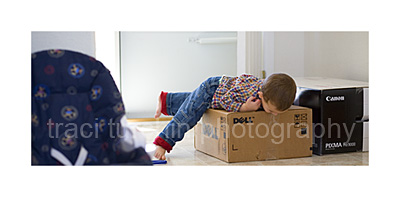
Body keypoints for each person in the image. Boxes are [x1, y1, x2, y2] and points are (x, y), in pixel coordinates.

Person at [153, 73, 297, 160]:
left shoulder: (269, 93)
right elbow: (224, 100)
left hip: (220, 90)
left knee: (191, 102)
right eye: (271, 111)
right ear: (260, 96)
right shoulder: (248, 94)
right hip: (212, 89)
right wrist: (243, 108)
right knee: (189, 114)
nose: (275, 114)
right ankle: (163, 142)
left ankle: (166, 101)